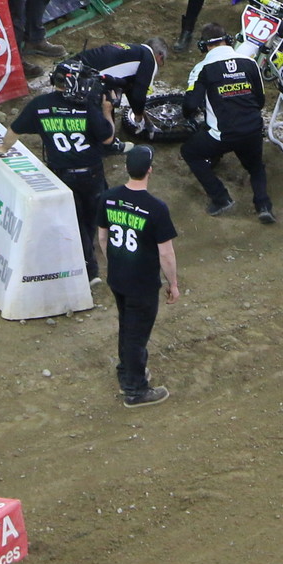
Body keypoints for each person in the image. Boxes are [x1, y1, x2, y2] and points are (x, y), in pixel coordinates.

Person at [0, 59, 115, 283]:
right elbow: (108, 138)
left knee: (76, 220)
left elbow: (14, 129)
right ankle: (91, 267)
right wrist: (107, 111)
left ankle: (87, 259)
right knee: (89, 219)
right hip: (91, 175)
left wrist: (3, 147)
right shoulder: (87, 106)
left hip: (62, 176)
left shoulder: (40, 104)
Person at [100, 145, 179, 407]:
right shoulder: (156, 208)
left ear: (127, 168)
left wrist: (115, 263)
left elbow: (102, 237)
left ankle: (126, 372)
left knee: (127, 326)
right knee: (137, 334)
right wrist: (173, 283)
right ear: (150, 170)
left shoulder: (108, 197)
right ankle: (135, 390)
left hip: (118, 277)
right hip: (142, 283)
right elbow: (166, 254)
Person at [182, 27, 272, 222]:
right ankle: (263, 205)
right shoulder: (250, 63)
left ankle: (221, 198)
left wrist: (189, 117)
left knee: (190, 152)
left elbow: (190, 105)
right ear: (228, 40)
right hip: (253, 130)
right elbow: (260, 100)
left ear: (204, 46)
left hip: (223, 135)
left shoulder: (202, 68)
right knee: (256, 167)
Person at [79, 38, 166, 128]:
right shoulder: (149, 58)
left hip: (77, 65)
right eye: (162, 62)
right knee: (106, 127)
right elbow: (138, 95)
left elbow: (130, 88)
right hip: (88, 78)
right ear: (160, 56)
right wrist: (139, 118)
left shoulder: (133, 50)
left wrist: (140, 112)